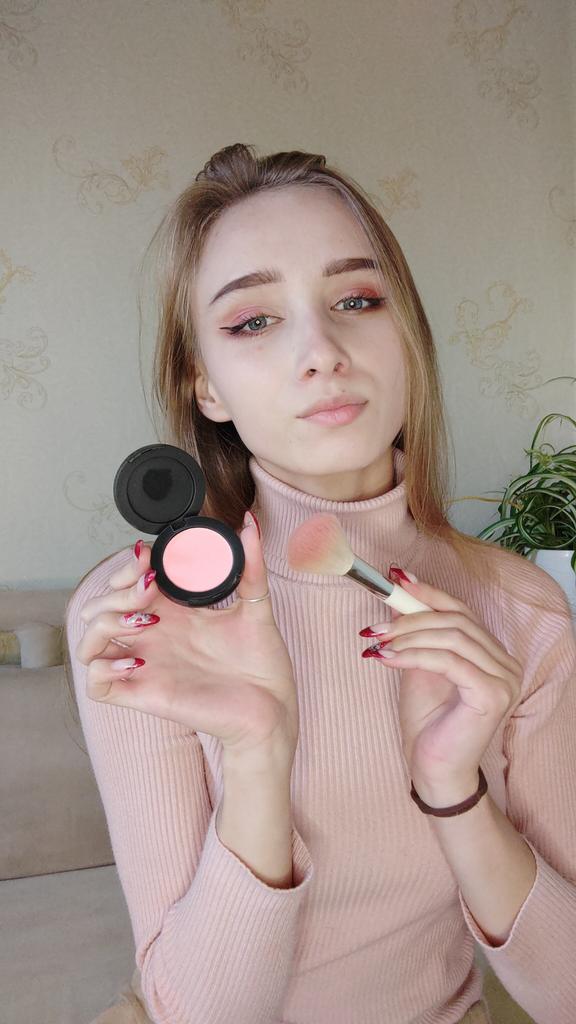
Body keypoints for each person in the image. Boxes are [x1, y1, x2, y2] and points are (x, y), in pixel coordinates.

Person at [64, 144, 576, 1024]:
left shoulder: (521, 611)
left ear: (408, 339)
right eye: (253, 321)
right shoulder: (139, 617)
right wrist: (258, 751)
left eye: (357, 301)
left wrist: (453, 787)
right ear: (205, 386)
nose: (322, 352)